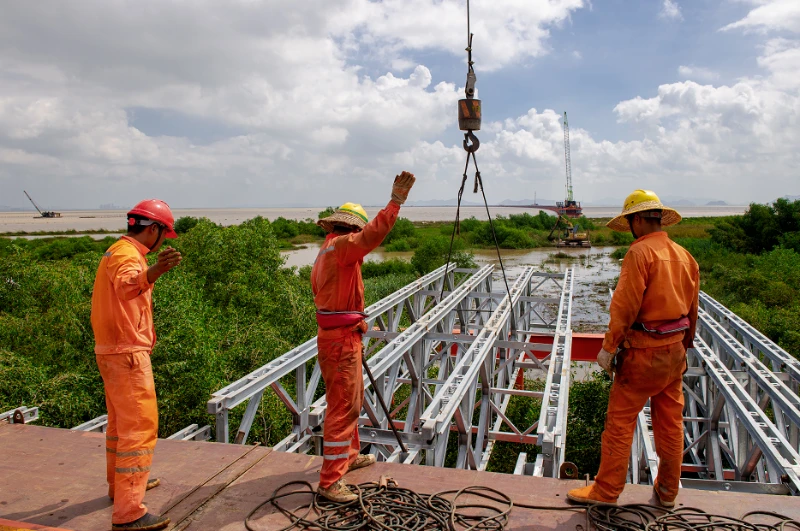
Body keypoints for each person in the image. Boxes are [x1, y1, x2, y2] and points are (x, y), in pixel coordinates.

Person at [567, 190, 699, 508]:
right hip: (674, 353)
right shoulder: (684, 256)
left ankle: (606, 491)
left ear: (638, 219)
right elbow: (693, 309)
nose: (630, 228)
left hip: (643, 353)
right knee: (670, 424)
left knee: (620, 423)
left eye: (629, 222)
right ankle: (667, 492)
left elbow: (625, 306)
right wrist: (685, 344)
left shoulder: (639, 254)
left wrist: (609, 348)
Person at [311, 172, 416, 502]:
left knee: (349, 402)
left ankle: (349, 456)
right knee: (343, 407)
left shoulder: (325, 250)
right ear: (351, 230)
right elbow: (372, 236)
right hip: (341, 340)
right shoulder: (343, 248)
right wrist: (395, 202)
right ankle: (330, 481)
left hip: (337, 336)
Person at [91, 199, 182, 530]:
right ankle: (129, 512)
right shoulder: (128, 255)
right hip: (126, 352)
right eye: (163, 233)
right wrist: (156, 270)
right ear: (154, 229)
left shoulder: (117, 251)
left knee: (119, 427)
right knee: (140, 429)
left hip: (113, 350)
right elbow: (128, 286)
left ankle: (122, 490)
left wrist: (151, 269)